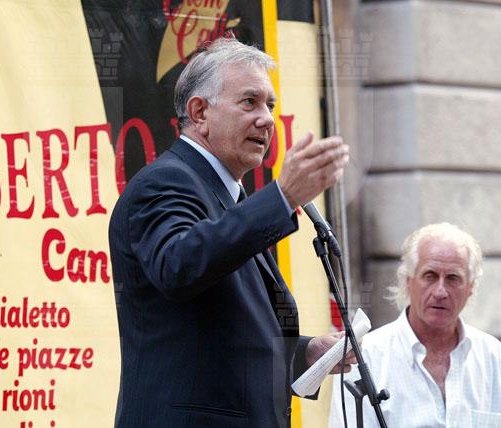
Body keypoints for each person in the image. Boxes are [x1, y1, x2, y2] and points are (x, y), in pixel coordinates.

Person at [109, 37, 352, 428]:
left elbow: (230, 340)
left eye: (270, 105)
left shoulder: (233, 200)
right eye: (249, 102)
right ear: (200, 112)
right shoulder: (164, 182)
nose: (267, 119)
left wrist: (306, 353)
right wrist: (282, 197)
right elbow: (179, 266)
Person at [329, 222, 501, 427]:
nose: (440, 292)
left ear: (471, 287)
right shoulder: (365, 356)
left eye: (453, 278)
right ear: (408, 280)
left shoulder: (493, 357)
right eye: (430, 276)